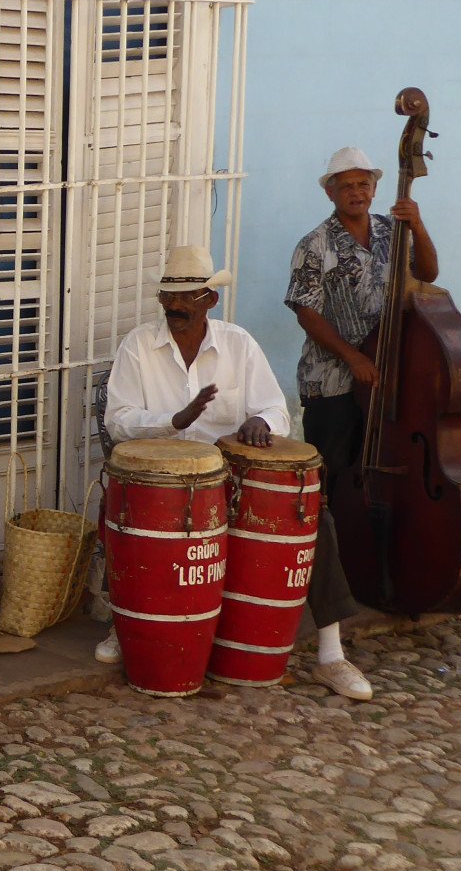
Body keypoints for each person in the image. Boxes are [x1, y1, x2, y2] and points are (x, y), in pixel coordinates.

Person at [100, 244, 373, 700]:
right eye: (168, 296)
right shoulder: (138, 347)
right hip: (162, 484)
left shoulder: (238, 344)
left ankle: (331, 654)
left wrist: (260, 422)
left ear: (211, 299)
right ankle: (122, 623)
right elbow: (118, 418)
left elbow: (273, 407)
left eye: (187, 297)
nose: (174, 306)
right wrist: (174, 421)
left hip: (234, 479)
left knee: (313, 522)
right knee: (117, 507)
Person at [285, 145, 439, 507]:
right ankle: (329, 555)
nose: (356, 193)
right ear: (330, 193)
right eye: (347, 186)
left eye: (363, 184)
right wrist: (354, 358)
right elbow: (305, 311)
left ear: (373, 189)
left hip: (386, 375)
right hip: (332, 381)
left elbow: (428, 274)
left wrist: (417, 223)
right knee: (335, 477)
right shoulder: (314, 244)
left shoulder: (393, 231)